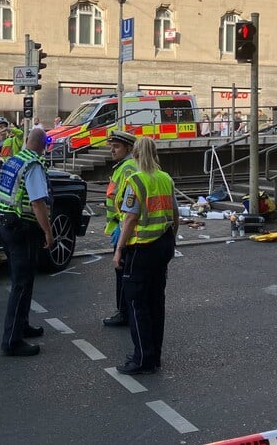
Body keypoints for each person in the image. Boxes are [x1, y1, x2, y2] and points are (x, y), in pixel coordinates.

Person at [113, 137, 179, 374]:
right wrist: (171, 239)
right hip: (163, 246)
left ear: (137, 155)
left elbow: (130, 218)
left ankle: (142, 358)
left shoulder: (136, 181)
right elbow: (175, 214)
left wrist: (119, 249)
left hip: (141, 248)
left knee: (136, 304)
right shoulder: (166, 178)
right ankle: (154, 355)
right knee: (156, 302)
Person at [0, 128, 55, 357]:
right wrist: (48, 232)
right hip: (23, 229)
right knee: (22, 284)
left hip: (4, 224)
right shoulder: (34, 166)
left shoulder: (13, 160)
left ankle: (22, 325)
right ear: (43, 145)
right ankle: (12, 341)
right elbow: (38, 203)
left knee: (21, 281)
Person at [101, 131, 139, 328]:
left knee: (122, 273)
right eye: (111, 146)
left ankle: (123, 312)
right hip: (119, 226)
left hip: (124, 228)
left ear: (128, 149)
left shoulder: (128, 168)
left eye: (116, 146)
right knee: (122, 273)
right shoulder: (122, 167)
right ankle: (124, 311)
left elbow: (128, 201)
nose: (112, 150)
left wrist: (121, 228)